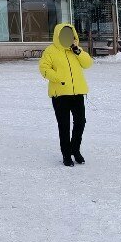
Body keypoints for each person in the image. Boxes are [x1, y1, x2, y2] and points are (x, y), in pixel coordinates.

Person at [38, 23, 92, 167]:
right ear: (58, 35)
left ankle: (75, 149)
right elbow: (43, 68)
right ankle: (66, 154)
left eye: (70, 34)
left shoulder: (76, 50)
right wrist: (57, 77)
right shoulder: (51, 51)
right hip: (60, 94)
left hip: (77, 92)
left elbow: (88, 64)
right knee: (64, 125)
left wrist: (78, 51)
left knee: (80, 122)